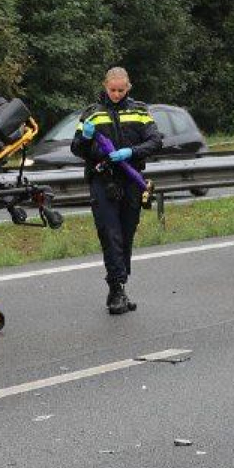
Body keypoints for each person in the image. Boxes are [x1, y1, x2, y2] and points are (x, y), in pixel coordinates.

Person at [69, 67, 164, 314]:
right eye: (112, 90)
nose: (116, 94)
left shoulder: (140, 111)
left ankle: (121, 284)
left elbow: (155, 141)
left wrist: (131, 152)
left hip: (132, 181)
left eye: (121, 90)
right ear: (105, 86)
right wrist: (86, 137)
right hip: (103, 181)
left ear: (128, 87)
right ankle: (116, 290)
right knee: (110, 235)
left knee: (126, 234)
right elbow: (77, 149)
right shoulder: (92, 114)